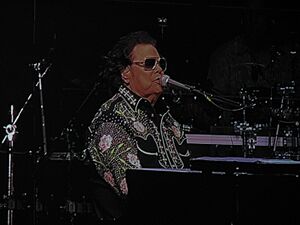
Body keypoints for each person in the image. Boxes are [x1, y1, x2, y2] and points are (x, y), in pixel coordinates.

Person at [85, 30, 191, 224]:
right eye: (150, 64)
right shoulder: (112, 120)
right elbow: (133, 190)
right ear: (126, 73)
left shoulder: (167, 119)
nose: (159, 70)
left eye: (161, 63)